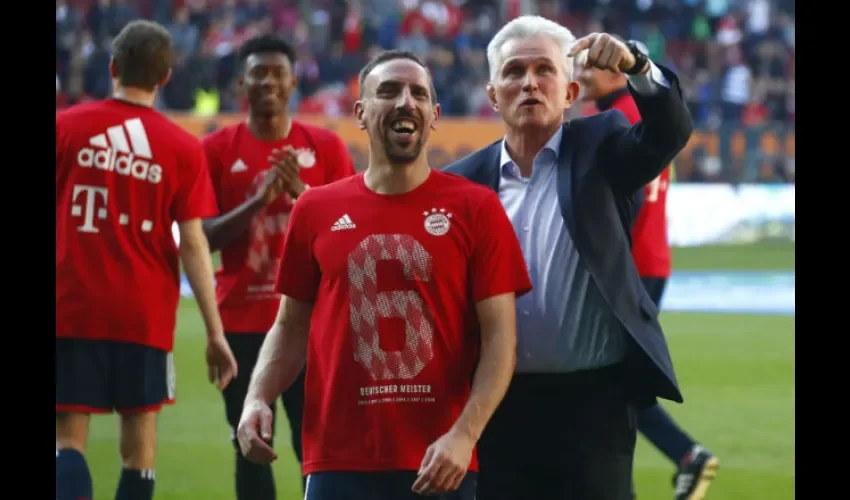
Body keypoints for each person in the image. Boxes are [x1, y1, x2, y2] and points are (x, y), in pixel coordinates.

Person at [235, 49, 532, 500]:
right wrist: (259, 395)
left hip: (441, 462)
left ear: (434, 115)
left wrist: (464, 435)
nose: (405, 102)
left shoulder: (477, 209)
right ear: (360, 112)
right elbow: (290, 325)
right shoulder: (315, 209)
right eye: (388, 91)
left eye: (418, 93)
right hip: (338, 460)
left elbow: (501, 342)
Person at [444, 16, 693, 500]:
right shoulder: (464, 184)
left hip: (594, 406)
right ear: (493, 95)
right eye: (514, 72)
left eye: (544, 70)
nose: (529, 82)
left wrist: (635, 63)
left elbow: (669, 131)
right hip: (496, 407)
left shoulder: (603, 147)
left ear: (570, 91)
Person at [55, 20, 237, 500]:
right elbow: (194, 242)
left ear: (112, 67)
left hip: (73, 306)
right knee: (139, 448)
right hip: (144, 314)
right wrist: (215, 333)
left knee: (67, 439)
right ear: (166, 77)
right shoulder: (181, 148)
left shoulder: (66, 128)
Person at [201, 34, 357, 499]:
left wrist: (302, 196)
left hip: (312, 323)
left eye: (277, 74)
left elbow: (353, 234)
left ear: (293, 84)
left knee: (316, 445)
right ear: (241, 85)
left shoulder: (326, 147)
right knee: (248, 442)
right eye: (258, 73)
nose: (267, 81)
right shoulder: (214, 150)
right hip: (241, 324)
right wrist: (257, 201)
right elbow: (202, 238)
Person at [578, 53, 719, 500]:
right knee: (616, 380)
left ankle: (683, 457)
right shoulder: (643, 115)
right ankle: (679, 458)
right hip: (651, 259)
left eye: (588, 67)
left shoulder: (610, 120)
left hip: (628, 266)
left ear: (617, 71)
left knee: (608, 383)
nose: (580, 75)